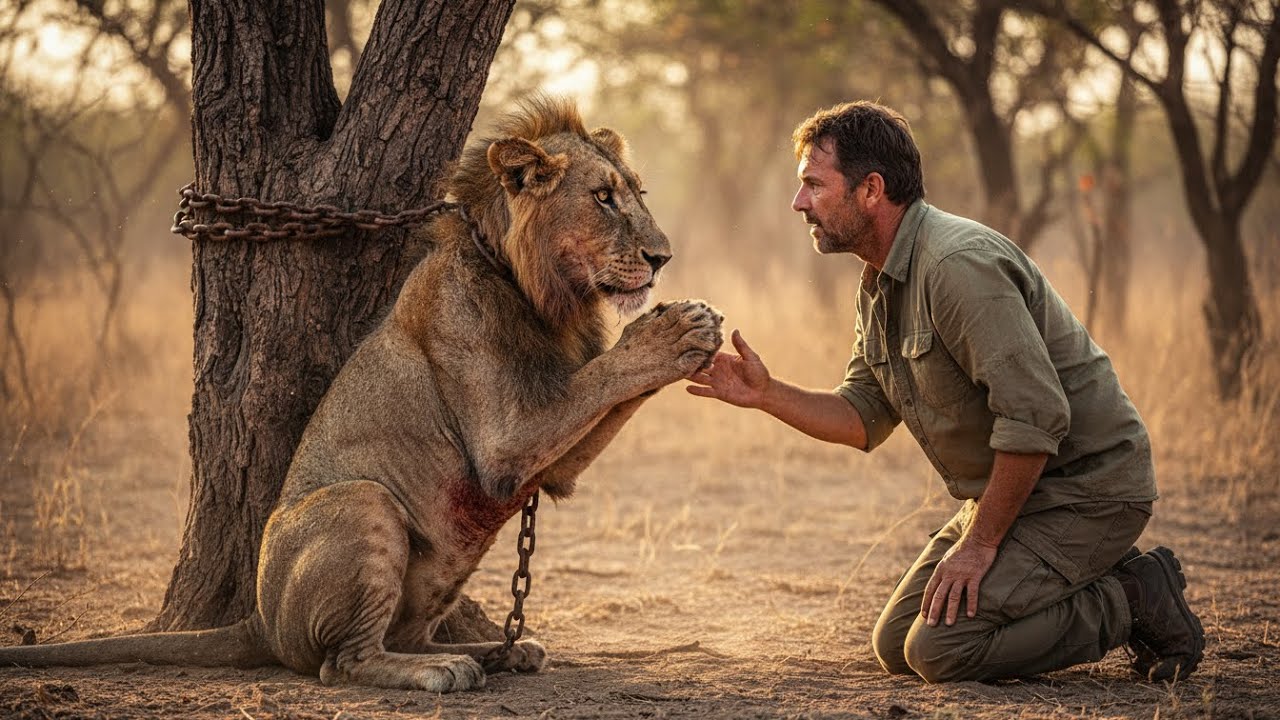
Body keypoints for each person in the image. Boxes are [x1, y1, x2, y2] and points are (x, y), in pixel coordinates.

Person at [686, 100, 1204, 683]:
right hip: (1020, 491)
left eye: (812, 184)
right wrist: (767, 393)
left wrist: (980, 546)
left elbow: (1035, 419)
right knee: (894, 644)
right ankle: (1084, 576)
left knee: (941, 651)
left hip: (1087, 489)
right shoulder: (880, 276)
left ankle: (1131, 599)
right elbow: (864, 417)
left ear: (871, 190)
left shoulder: (957, 266)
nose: (798, 202)